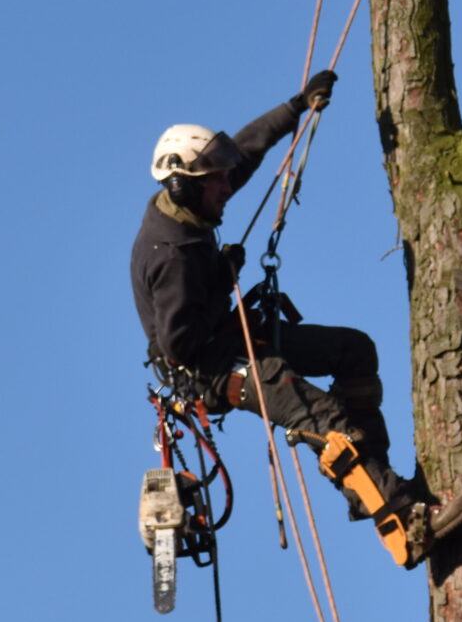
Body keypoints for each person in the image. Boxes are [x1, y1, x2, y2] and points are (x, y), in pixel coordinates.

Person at [130, 69, 424, 541]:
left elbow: (246, 150)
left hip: (227, 339)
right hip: (210, 370)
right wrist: (224, 282)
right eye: (216, 182)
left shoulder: (192, 201)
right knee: (327, 419)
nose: (227, 187)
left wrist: (296, 107)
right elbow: (180, 345)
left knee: (354, 351)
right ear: (184, 185)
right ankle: (400, 520)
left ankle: (371, 483)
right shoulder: (172, 257)